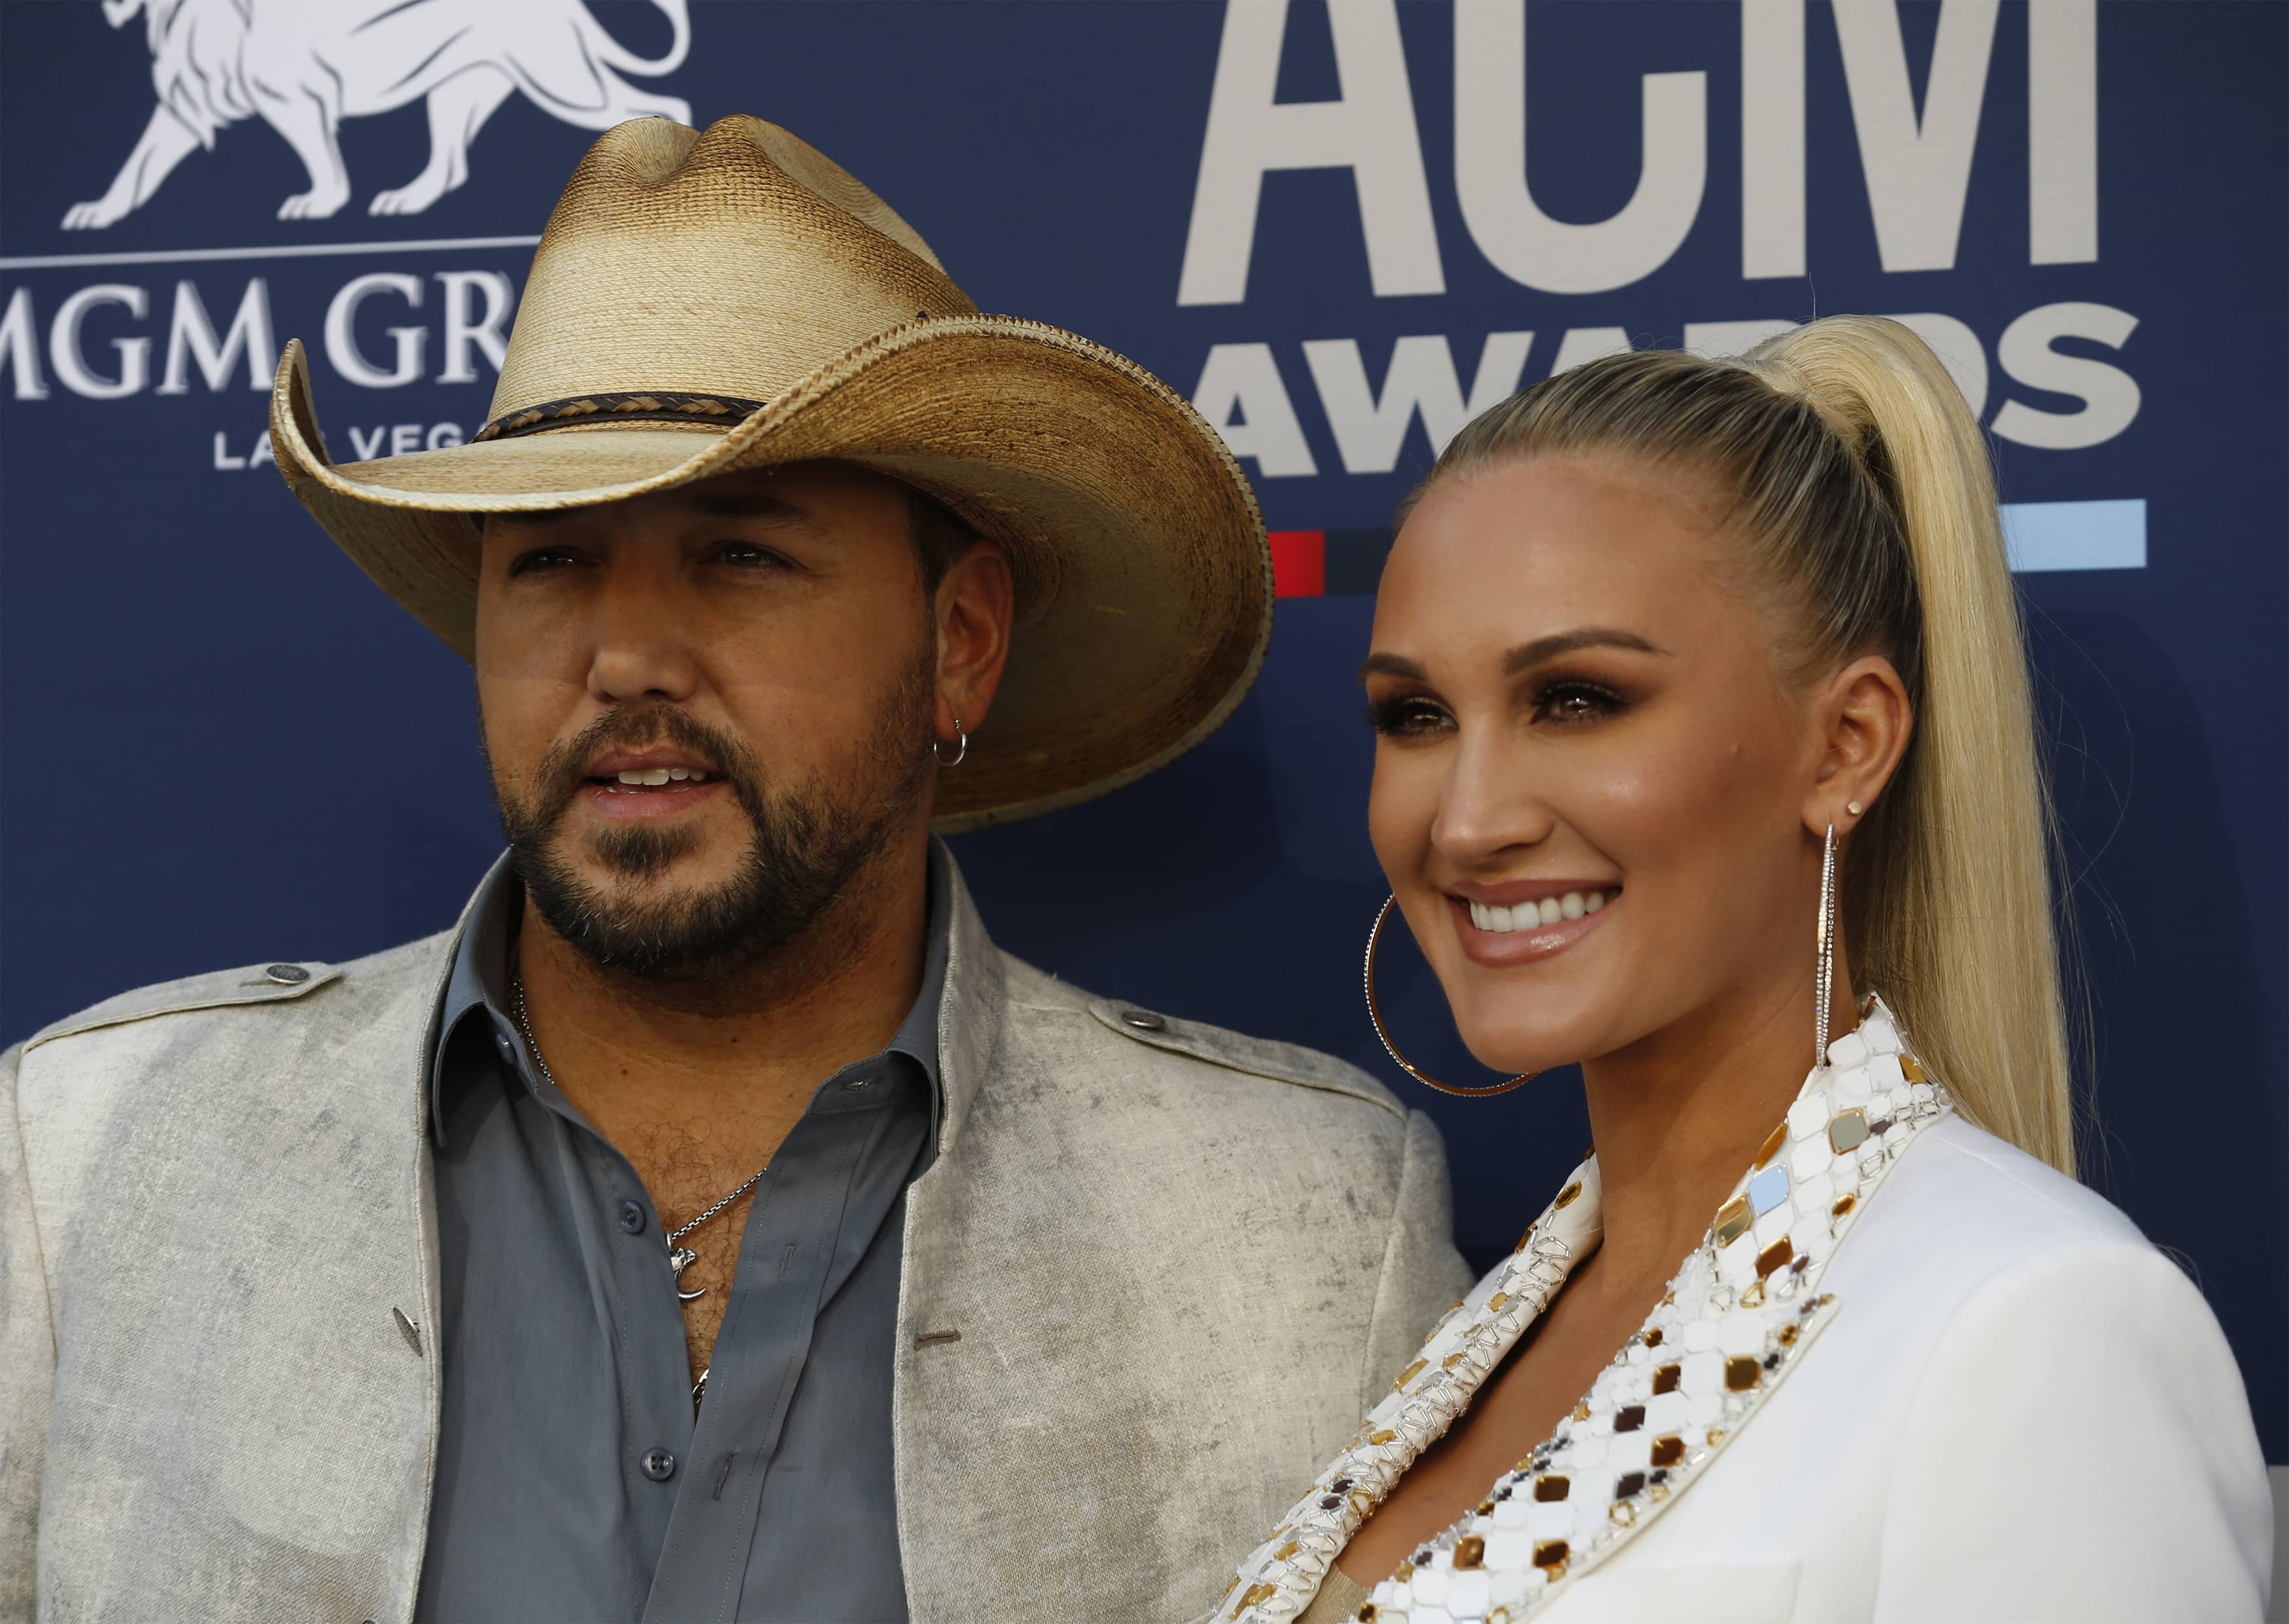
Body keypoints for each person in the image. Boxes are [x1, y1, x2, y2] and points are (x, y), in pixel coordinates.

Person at [0, 116, 1472, 1623]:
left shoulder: (1303, 1225)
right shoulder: (88, 1157)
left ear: (959, 641)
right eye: (552, 560)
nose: (626, 656)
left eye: (742, 557)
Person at [1211, 318, 2273, 1624]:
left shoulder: (2032, 1322)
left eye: (1577, 699)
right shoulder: (1488, 1326)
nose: (1467, 819)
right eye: (1414, 717)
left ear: (1845, 748)